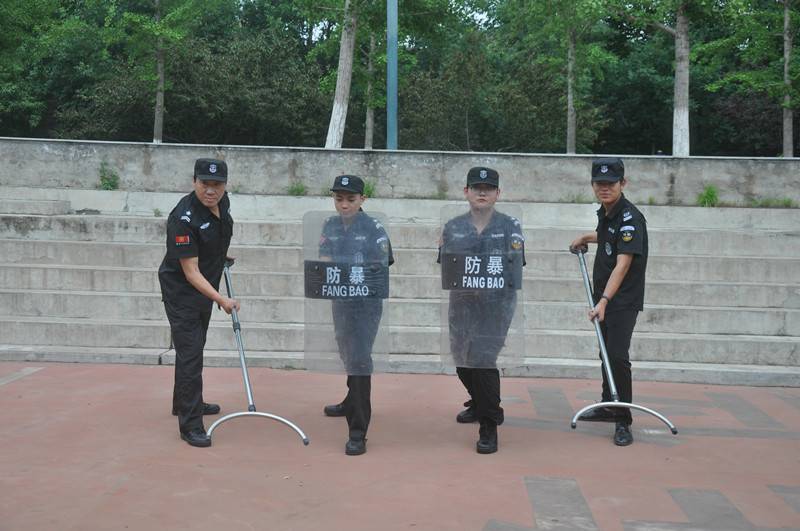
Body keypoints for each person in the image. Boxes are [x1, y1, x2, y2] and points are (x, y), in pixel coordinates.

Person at [439, 167, 525, 454]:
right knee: (462, 360)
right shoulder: (453, 226)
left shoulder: (510, 226)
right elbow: (447, 267)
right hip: (462, 305)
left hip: (496, 307)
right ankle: (479, 403)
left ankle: (489, 425)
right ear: (466, 192)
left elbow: (515, 267)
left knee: (483, 360)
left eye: (488, 189)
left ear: (497, 194)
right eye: (476, 188)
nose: (482, 192)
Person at [158, 158, 239, 448]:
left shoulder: (222, 203)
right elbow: (190, 272)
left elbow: (216, 235)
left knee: (193, 348)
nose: (211, 190)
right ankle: (191, 425)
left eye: (217, 184)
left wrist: (219, 257)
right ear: (194, 182)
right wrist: (222, 299)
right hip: (183, 292)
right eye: (205, 184)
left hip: (204, 288)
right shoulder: (183, 218)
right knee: (191, 354)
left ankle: (183, 401)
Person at [569, 157, 648, 447]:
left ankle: (622, 419)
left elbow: (623, 264)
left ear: (622, 183)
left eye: (611, 184)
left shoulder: (630, 218)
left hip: (621, 300)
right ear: (593, 185)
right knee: (605, 352)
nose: (604, 188)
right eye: (599, 183)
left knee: (616, 355)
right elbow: (606, 237)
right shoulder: (607, 213)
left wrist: (603, 300)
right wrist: (585, 237)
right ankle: (607, 404)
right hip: (604, 297)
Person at [320, 175, 394, 456]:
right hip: (340, 301)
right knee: (346, 352)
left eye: (350, 199)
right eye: (339, 199)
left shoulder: (374, 228)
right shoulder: (330, 225)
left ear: (362, 199)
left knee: (360, 359)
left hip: (366, 304)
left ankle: (358, 431)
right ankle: (352, 399)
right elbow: (324, 259)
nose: (344, 205)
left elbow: (381, 265)